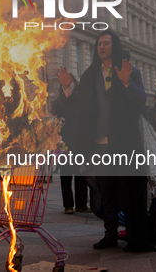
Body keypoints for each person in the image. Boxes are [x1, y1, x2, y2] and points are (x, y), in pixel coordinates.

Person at [57, 30, 156, 252]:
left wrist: (127, 82)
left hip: (126, 145)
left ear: (115, 45)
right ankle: (110, 234)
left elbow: (141, 100)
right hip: (100, 145)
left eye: (106, 43)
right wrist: (67, 88)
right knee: (106, 194)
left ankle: (136, 237)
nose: (101, 47)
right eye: (99, 44)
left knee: (131, 193)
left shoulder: (130, 71)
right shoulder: (90, 75)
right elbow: (80, 106)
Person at [52, 76, 90, 214]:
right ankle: (68, 205)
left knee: (80, 174)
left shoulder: (80, 100)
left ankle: (81, 204)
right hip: (64, 142)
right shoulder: (58, 102)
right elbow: (55, 123)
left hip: (79, 141)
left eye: (71, 82)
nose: (69, 85)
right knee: (66, 173)